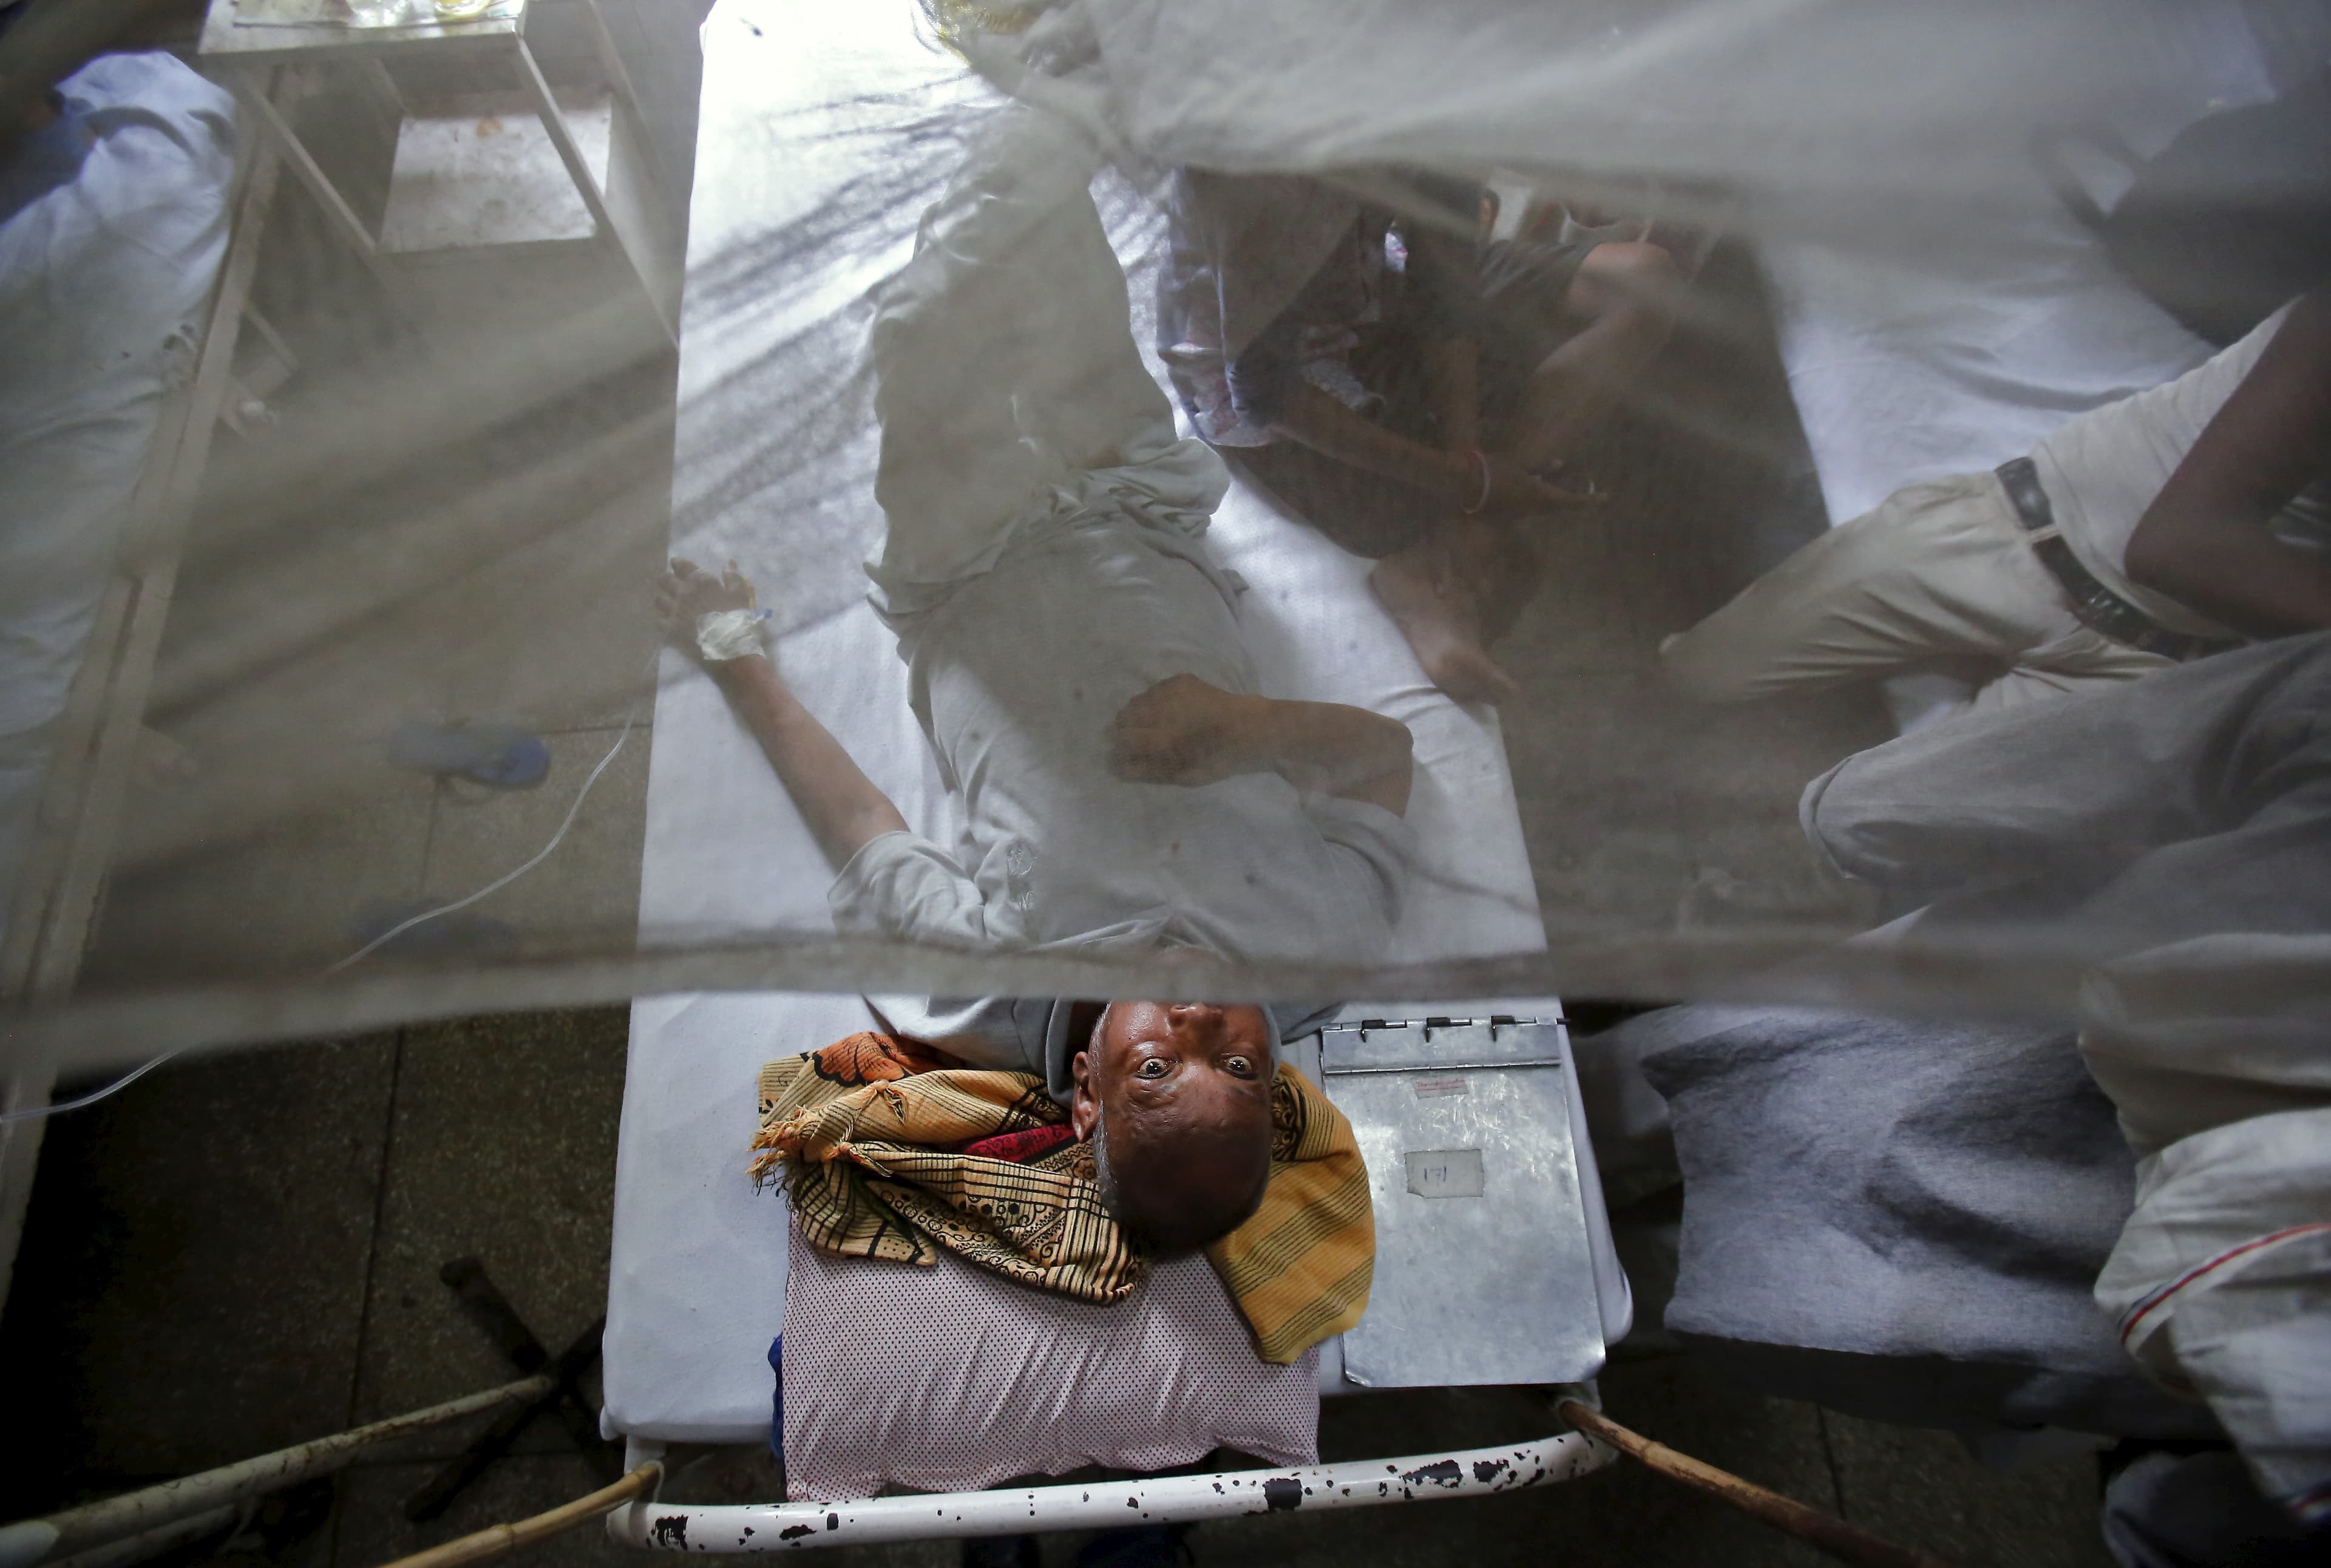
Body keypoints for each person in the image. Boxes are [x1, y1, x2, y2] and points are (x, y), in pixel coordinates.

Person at [659, 104, 1413, 1241]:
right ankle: (1034, 95)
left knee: (921, 328)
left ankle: (972, 174)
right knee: (1046, 216)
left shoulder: (989, 990)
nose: (1204, 1012)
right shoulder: (1324, 939)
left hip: (965, 574)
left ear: (1089, 1087)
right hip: (1138, 521)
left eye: (1164, 1059)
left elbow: (864, 819)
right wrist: (1245, 726)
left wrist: (735, 652)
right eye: (1244, 1061)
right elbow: (1383, 753)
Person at [1662, 284, 2331, 714]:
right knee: (1695, 679)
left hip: (2162, 661)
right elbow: (2178, 546)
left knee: (1879, 820)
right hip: (2009, 540)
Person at [1159, 170, 1680, 704]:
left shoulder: (1426, 115)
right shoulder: (1257, 177)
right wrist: (1463, 478)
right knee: (1402, 503)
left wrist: (1469, 465)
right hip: (1281, 382)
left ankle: (1455, 538)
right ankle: (1422, 573)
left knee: (1647, 285)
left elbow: (1443, 287)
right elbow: (1265, 395)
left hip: (1371, 293)